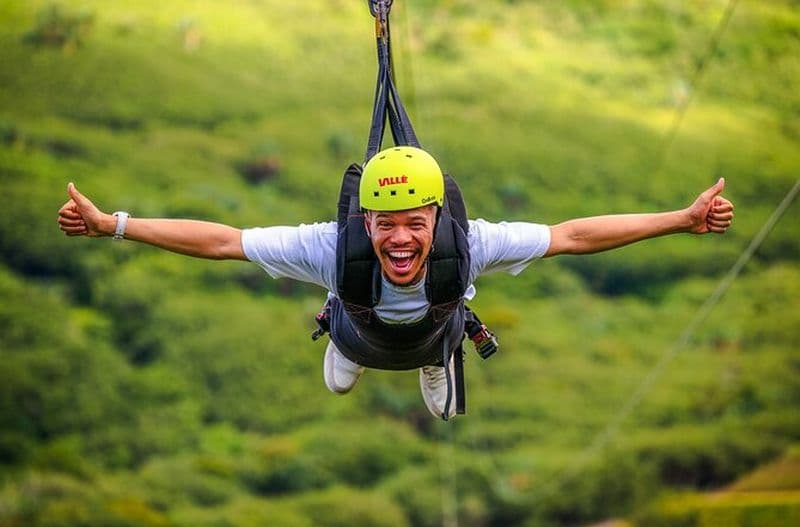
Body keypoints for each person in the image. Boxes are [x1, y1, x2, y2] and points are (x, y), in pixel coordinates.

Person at [57, 146, 734, 419]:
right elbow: (224, 241)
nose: (401, 239)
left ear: (436, 218)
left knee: (437, 342)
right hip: (358, 328)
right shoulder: (333, 247)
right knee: (342, 373)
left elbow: (572, 236)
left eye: (415, 223)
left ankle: (435, 359)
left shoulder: (469, 246)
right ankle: (347, 346)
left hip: (434, 335)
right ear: (366, 220)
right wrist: (113, 224)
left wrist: (682, 218)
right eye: (385, 225)